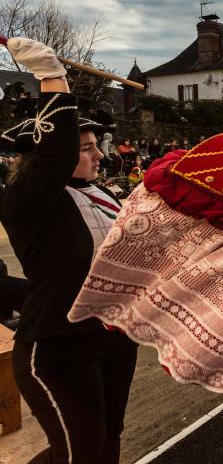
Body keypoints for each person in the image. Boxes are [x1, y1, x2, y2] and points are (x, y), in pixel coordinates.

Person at [0, 37, 137, 463]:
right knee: (80, 454)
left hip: (113, 339)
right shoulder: (30, 195)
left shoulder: (105, 194)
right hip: (58, 348)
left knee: (106, 443)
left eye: (98, 144)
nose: (100, 154)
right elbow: (55, 153)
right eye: (87, 147)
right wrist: (50, 76)